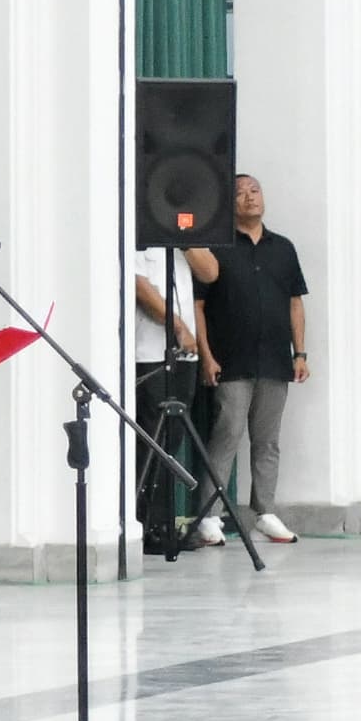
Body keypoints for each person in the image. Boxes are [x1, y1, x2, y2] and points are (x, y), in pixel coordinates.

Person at [191, 172, 308, 546]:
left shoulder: (283, 248)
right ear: (229, 204)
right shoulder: (216, 248)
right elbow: (198, 305)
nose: (249, 198)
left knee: (268, 441)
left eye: (254, 191)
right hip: (230, 360)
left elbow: (295, 302)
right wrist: (206, 355)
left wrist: (300, 352)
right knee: (227, 435)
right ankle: (209, 515)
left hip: (275, 359)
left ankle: (266, 511)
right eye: (240, 194)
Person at [130, 233, 216, 555]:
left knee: (173, 439)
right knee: (151, 440)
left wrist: (185, 242)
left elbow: (210, 272)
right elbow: (140, 285)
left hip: (185, 356)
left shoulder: (184, 240)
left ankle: (165, 522)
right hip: (151, 353)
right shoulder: (140, 237)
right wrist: (178, 327)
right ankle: (144, 523)